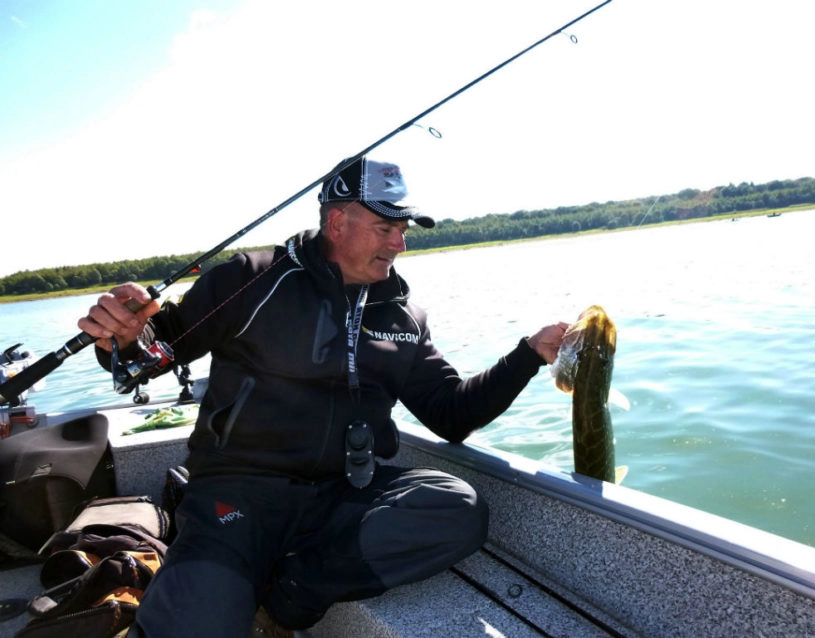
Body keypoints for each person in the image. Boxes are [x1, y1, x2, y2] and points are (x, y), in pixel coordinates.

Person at [78, 157, 568, 637]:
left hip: (345, 496)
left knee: (456, 506)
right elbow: (158, 349)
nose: (400, 242)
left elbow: (452, 414)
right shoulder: (251, 278)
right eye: (385, 228)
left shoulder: (404, 317)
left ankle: (289, 592)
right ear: (338, 221)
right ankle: (229, 577)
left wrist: (529, 355)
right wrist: (121, 337)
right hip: (237, 493)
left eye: (404, 229)